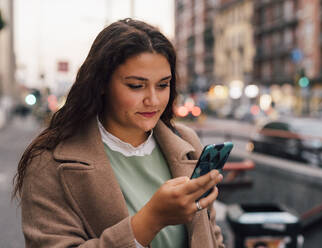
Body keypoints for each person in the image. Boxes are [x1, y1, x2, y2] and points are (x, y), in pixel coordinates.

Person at [13, 18, 225, 248]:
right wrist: (151, 220)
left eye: (163, 85)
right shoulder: (48, 161)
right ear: (101, 83)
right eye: (136, 85)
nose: (152, 100)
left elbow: (211, 236)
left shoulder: (186, 142)